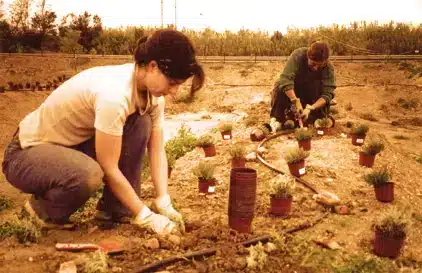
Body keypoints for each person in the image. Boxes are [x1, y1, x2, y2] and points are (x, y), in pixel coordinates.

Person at [2, 29, 205, 235]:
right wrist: (146, 216)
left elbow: (157, 150)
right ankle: (40, 212)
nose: (174, 91)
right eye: (172, 83)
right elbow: (108, 166)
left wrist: (164, 201)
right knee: (88, 174)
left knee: (141, 122)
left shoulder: (153, 97)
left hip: (72, 146)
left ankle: (115, 210)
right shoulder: (115, 96)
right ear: (153, 67)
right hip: (25, 153)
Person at [269, 41, 336, 131]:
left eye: (320, 65)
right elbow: (286, 80)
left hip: (312, 95)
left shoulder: (328, 67)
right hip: (296, 90)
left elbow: (327, 94)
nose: (316, 68)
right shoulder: (298, 56)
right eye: (313, 64)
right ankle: (277, 119)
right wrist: (295, 101)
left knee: (319, 90)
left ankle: (317, 118)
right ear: (308, 56)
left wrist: (311, 108)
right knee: (280, 84)